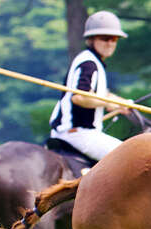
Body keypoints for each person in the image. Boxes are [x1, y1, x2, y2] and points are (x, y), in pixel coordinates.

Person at [48, 11, 132, 161]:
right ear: (91, 39)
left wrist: (121, 103)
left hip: (80, 133)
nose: (110, 43)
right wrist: (111, 102)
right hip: (77, 133)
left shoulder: (93, 61)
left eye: (114, 39)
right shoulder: (89, 64)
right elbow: (80, 97)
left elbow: (99, 95)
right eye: (105, 38)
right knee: (129, 158)